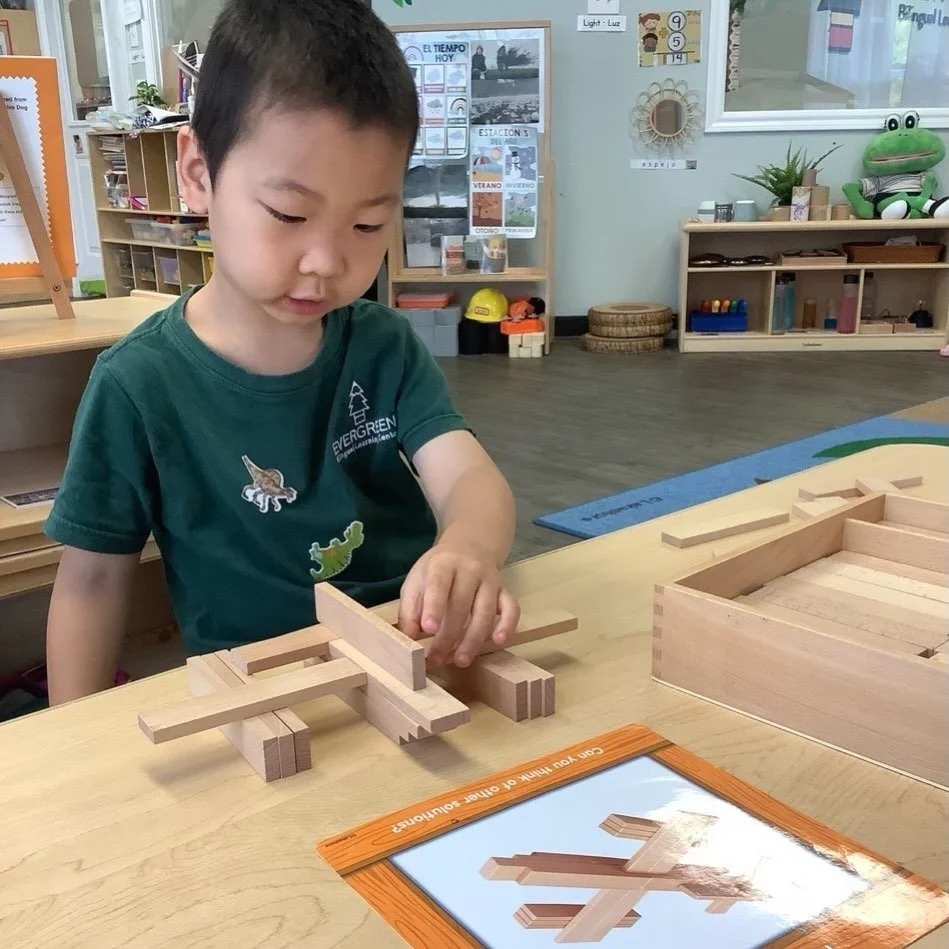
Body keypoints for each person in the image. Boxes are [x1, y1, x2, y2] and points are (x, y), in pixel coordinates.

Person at [43, 0, 519, 705]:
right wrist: (73, 747)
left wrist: (468, 549)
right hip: (260, 692)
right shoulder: (139, 383)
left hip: (409, 655)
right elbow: (90, 582)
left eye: (366, 223)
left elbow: (469, 480)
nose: (325, 260)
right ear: (199, 173)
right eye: (289, 215)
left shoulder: (381, 343)